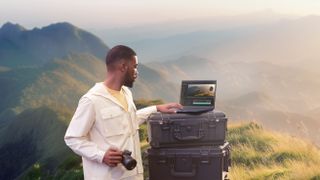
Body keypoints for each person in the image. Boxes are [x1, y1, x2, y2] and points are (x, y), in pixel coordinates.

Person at [64, 45, 182, 180]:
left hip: (134, 174)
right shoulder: (91, 100)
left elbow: (128, 121)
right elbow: (72, 138)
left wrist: (155, 108)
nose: (137, 72)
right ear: (123, 66)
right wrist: (101, 155)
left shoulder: (126, 93)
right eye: (135, 66)